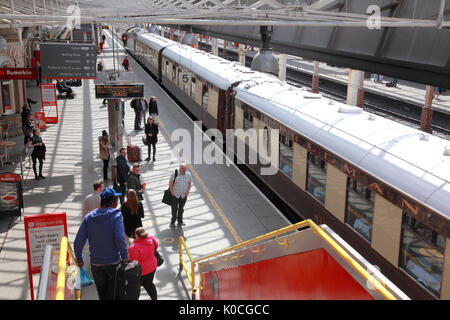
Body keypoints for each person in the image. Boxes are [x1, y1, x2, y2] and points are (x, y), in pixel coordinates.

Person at [74, 187, 129, 300]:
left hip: (96, 264)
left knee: (102, 294)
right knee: (114, 294)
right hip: (113, 263)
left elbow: (78, 242)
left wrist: (79, 259)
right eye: (116, 199)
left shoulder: (88, 218)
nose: (118, 201)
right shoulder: (116, 215)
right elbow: (119, 238)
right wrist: (125, 257)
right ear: (113, 201)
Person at [128, 227, 158, 300]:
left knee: (136, 288)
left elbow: (133, 261)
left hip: (141, 271)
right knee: (149, 284)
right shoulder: (151, 238)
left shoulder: (134, 246)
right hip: (153, 266)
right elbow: (156, 246)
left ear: (137, 235)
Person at [169, 163, 192, 228]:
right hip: (175, 195)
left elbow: (189, 183)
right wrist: (172, 192)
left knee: (181, 209)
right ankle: (172, 221)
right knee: (174, 209)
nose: (184, 170)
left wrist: (187, 192)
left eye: (185, 168)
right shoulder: (174, 174)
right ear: (180, 169)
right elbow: (170, 183)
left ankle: (180, 221)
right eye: (183, 169)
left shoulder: (188, 175)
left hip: (183, 195)